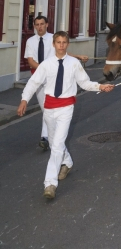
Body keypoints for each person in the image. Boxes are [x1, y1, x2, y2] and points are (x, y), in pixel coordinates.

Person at [17, 31, 114, 200]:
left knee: (56, 146)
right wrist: (24, 99)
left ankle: (50, 184)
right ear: (53, 44)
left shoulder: (74, 64)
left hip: (66, 108)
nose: (61, 45)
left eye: (64, 42)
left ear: (67, 44)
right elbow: (33, 83)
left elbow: (84, 83)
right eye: (58, 42)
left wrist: (100, 86)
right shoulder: (46, 64)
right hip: (49, 108)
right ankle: (67, 162)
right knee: (56, 142)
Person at [24, 15, 89, 151]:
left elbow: (62, 52)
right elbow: (30, 61)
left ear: (47, 24)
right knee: (45, 107)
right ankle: (50, 137)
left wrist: (77, 57)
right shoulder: (30, 41)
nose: (40, 27)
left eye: (42, 24)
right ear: (34, 26)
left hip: (53, 77)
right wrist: (44, 70)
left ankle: (45, 137)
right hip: (38, 77)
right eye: (37, 24)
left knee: (47, 107)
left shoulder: (53, 38)